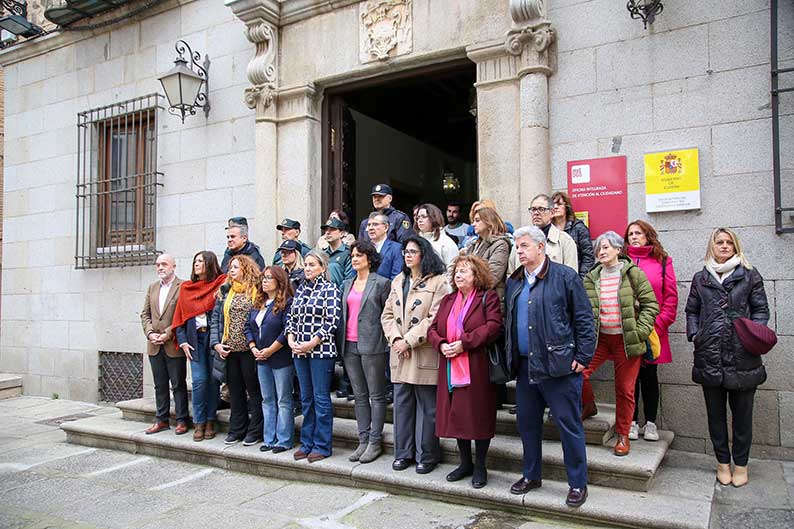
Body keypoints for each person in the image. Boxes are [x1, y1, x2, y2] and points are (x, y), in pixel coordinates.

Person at [505, 226, 595, 507]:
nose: (518, 251)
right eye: (517, 247)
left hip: (560, 367)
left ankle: (578, 483)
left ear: (541, 247)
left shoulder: (565, 277)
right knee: (528, 426)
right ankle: (531, 475)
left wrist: (583, 356)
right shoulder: (515, 280)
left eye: (523, 246)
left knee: (569, 426)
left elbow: (584, 320)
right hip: (525, 367)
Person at [686, 228, 770, 488]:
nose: (724, 246)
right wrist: (696, 335)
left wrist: (753, 334)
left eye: (728, 242)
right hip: (709, 355)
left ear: (735, 246)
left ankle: (741, 465)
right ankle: (722, 463)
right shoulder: (701, 278)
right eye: (719, 242)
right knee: (715, 416)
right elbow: (692, 310)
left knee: (743, 416)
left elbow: (761, 309)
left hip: (743, 355)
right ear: (712, 246)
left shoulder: (749, 275)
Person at [428, 255, 502, 489]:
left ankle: (480, 465)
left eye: (464, 271)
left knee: (478, 415)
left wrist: (464, 343)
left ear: (476, 275)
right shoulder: (449, 299)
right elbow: (432, 328)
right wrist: (440, 343)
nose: (458, 275)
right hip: (450, 364)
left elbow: (494, 326)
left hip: (476, 365)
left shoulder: (487, 297)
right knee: (458, 414)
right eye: (457, 271)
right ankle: (465, 463)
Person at [581, 231, 659, 457]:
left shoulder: (633, 273)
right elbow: (585, 310)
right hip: (600, 339)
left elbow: (650, 305)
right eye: (598, 248)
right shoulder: (591, 277)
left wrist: (639, 331)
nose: (601, 252)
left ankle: (623, 435)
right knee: (578, 373)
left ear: (618, 249)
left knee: (625, 389)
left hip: (626, 340)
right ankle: (588, 405)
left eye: (606, 247)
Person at [381, 235, 449, 475]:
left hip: (423, 353)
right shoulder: (398, 280)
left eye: (412, 251)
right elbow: (387, 315)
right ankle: (403, 453)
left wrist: (409, 340)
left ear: (424, 254)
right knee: (401, 405)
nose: (407, 255)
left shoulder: (439, 282)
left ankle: (427, 455)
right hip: (399, 353)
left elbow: (435, 318)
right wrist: (397, 339)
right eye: (405, 252)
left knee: (427, 408)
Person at [624, 220, 678, 442]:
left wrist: (659, 324)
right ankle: (632, 422)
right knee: (630, 378)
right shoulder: (621, 261)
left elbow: (671, 297)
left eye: (638, 233)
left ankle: (651, 423)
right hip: (628, 329)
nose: (634, 237)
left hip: (654, 330)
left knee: (649, 377)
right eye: (630, 234)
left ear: (648, 236)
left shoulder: (663, 261)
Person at [286, 250, 341, 463]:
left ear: (323, 267)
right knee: (306, 398)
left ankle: (322, 445)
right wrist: (291, 339)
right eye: (306, 265)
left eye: (312, 265)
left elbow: (332, 320)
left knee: (320, 398)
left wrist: (313, 341)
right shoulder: (300, 290)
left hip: (320, 352)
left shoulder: (330, 289)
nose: (307, 268)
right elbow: (291, 317)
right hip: (299, 351)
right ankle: (307, 443)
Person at [339, 240, 391, 464]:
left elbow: (387, 315)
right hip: (349, 344)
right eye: (352, 255)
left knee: (376, 395)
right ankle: (362, 439)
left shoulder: (381, 283)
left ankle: (375, 441)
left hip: (373, 345)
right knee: (359, 396)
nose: (354, 258)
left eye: (359, 255)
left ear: (369, 258)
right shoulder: (347, 283)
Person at [210, 255, 264, 446]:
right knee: (235, 392)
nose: (231, 270)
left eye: (235, 267)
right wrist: (216, 344)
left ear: (246, 269)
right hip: (230, 350)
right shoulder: (225, 291)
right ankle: (237, 429)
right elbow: (216, 320)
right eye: (230, 267)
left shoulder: (257, 291)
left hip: (250, 350)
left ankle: (255, 430)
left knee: (254, 391)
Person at [173, 251, 226, 442]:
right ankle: (199, 422)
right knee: (198, 381)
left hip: (212, 340)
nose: (197, 264)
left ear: (210, 264)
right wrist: (183, 341)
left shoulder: (220, 284)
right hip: (194, 340)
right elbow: (179, 318)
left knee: (213, 381)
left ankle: (211, 420)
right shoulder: (187, 288)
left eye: (201, 261)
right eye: (195, 261)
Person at [246, 266, 294, 453]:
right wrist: (253, 348)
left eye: (268, 278)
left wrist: (270, 350)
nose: (264, 281)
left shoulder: (287, 303)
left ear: (279, 282)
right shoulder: (259, 302)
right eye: (263, 278)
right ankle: (269, 438)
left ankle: (284, 439)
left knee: (283, 399)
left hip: (280, 358)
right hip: (260, 358)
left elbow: (286, 330)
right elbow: (247, 327)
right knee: (267, 399)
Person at [140, 254, 187, 435]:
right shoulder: (152, 287)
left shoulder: (182, 286)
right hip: (154, 345)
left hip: (172, 344)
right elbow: (145, 314)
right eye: (158, 264)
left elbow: (182, 316)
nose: (160, 267)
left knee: (178, 384)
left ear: (173, 266)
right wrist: (150, 333)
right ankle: (162, 420)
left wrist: (166, 334)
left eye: (164, 264)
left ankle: (182, 420)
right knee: (159, 385)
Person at [509, 194, 578, 274]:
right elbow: (511, 273)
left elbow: (571, 276)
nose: (536, 213)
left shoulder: (565, 241)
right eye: (533, 209)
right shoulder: (520, 240)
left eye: (541, 209)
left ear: (552, 213)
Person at [464, 207, 511, 301]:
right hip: (471, 297)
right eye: (473, 221)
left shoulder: (501, 244)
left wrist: (467, 282)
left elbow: (492, 277)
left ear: (489, 222)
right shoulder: (472, 245)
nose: (473, 224)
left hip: (490, 301)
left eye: (477, 220)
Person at [551, 192, 594, 277]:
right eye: (553, 205)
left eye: (559, 204)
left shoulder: (579, 228)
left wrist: (580, 279)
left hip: (573, 277)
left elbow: (588, 257)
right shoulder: (548, 229)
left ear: (566, 207)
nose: (555, 207)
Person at [415, 203, 459, 267]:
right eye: (418, 217)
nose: (420, 220)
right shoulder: (415, 241)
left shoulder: (447, 243)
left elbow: (452, 270)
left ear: (434, 218)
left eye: (424, 217)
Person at [367, 212, 403, 280]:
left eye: (375, 224)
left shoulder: (396, 248)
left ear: (386, 227)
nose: (371, 228)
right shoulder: (363, 248)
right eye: (369, 225)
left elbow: (396, 277)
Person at [321, 217, 355, 288]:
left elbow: (349, 280)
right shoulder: (322, 254)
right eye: (326, 229)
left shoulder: (348, 253)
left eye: (332, 229)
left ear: (342, 234)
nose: (328, 232)